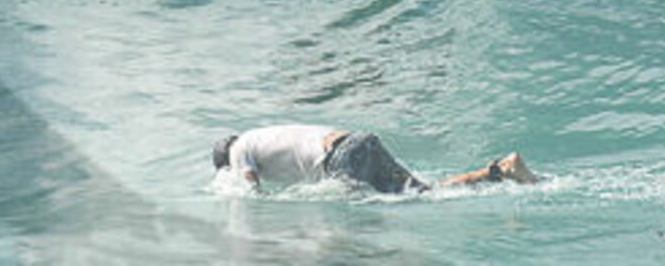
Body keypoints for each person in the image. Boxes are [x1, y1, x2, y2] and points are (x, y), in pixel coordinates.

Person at [211, 124, 535, 194]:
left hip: (340, 158)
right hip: (358, 141)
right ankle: (501, 170)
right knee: (425, 193)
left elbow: (252, 194)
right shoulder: (263, 134)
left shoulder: (239, 150)